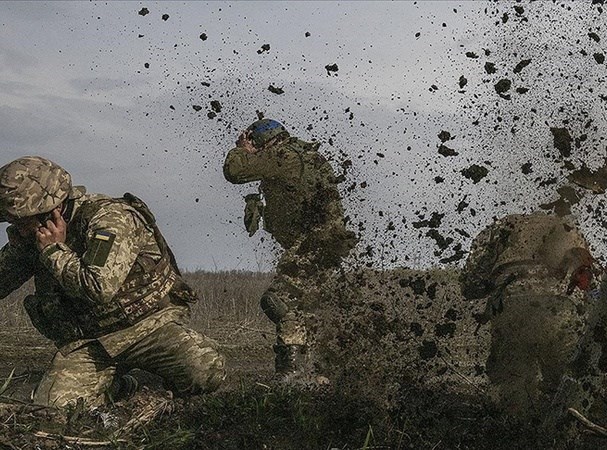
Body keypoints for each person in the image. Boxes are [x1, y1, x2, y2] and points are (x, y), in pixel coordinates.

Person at [0, 156, 225, 407]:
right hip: (91, 343)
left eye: (20, 221)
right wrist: (19, 251)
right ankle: (124, 385)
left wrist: (54, 252)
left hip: (147, 328)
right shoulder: (34, 235)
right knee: (55, 407)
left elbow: (99, 287)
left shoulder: (110, 218)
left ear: (50, 211)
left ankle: (147, 379)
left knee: (206, 370)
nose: (16, 228)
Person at [223, 118, 357, 378]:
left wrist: (241, 149)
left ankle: (293, 373)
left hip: (314, 247)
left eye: (255, 143)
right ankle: (325, 369)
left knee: (280, 300)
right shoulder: (306, 156)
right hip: (323, 246)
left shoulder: (282, 156)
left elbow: (235, 171)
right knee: (306, 306)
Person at [460, 212, 595, 418]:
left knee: (512, 387)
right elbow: (591, 285)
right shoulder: (569, 227)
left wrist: (492, 284)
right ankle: (569, 431)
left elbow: (470, 283)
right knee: (569, 384)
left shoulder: (504, 226)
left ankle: (517, 431)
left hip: (512, 303)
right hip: (561, 309)